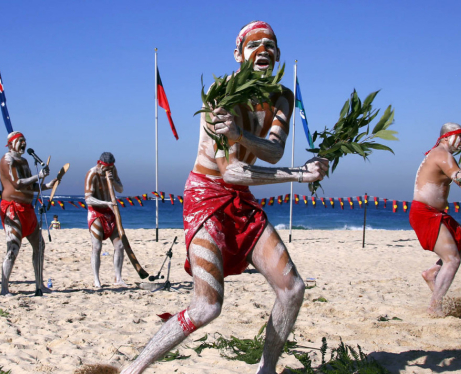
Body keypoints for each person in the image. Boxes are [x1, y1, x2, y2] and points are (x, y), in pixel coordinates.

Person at [122, 21, 328, 374]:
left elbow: (274, 152)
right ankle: (132, 370)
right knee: (206, 307)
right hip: (207, 194)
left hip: (242, 199)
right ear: (238, 54)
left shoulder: (282, 97)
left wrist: (241, 135)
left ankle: (266, 370)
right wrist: (300, 174)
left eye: (271, 44)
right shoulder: (222, 94)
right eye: (254, 43)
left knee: (292, 289)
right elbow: (231, 171)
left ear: (277, 55)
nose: (264, 49)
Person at [409, 122, 461, 316]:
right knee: (452, 260)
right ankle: (435, 308)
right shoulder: (441, 154)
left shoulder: (445, 157)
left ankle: (432, 273)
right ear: (446, 137)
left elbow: (458, 177)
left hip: (437, 214)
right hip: (425, 213)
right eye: (460, 136)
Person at [0, 131, 57, 296]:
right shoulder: (7, 160)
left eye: (24, 141)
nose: (23, 144)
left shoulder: (24, 161)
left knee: (40, 245)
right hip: (12, 209)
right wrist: (38, 176)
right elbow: (17, 184)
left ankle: (39, 283)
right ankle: (4, 288)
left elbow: (29, 186)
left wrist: (46, 185)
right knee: (13, 249)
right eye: (20, 141)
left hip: (28, 209)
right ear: (10, 144)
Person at [84, 152, 127, 287]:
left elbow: (120, 189)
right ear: (99, 163)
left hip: (110, 212)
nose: (108, 170)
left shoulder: (113, 170)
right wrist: (105, 203)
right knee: (96, 247)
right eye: (106, 167)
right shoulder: (92, 173)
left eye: (111, 167)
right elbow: (88, 199)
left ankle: (118, 278)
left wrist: (113, 180)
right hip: (96, 212)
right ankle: (96, 280)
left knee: (120, 245)